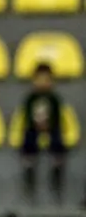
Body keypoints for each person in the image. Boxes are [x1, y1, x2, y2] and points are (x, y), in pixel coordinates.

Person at [19, 62, 66, 205]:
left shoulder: (54, 99)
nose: (42, 83)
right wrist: (37, 125)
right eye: (39, 79)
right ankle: (29, 162)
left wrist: (48, 125)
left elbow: (58, 118)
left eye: (46, 79)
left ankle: (57, 163)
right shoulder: (30, 98)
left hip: (51, 127)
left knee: (57, 137)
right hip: (34, 127)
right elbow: (27, 117)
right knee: (29, 137)